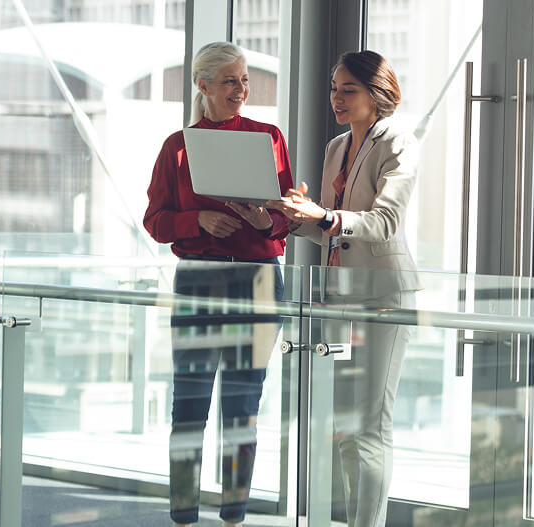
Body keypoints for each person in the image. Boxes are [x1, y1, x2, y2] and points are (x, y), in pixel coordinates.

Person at [144, 41, 294, 527]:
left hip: (258, 281)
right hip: (199, 280)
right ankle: (183, 514)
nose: (241, 89)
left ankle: (234, 515)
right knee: (189, 403)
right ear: (203, 85)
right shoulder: (177, 147)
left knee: (242, 404)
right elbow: (155, 220)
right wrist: (198, 220)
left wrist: (264, 219)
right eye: (230, 80)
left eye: (244, 80)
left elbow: (287, 218)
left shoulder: (268, 137)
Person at [268, 50, 420, 527]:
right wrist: (291, 219)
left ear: (377, 94)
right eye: (334, 88)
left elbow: (383, 222)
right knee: (344, 428)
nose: (336, 97)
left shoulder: (398, 141)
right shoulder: (337, 146)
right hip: (337, 296)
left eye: (348, 90)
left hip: (384, 297)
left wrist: (326, 216)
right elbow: (333, 232)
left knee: (370, 427)